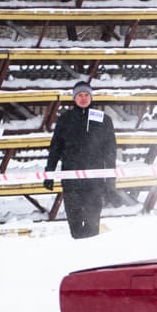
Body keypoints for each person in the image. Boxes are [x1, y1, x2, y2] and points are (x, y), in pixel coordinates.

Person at [43, 81, 117, 239]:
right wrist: (49, 172)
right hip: (71, 180)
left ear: (91, 97)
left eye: (86, 95)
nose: (83, 98)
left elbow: (110, 151)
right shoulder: (65, 119)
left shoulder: (104, 120)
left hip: (95, 180)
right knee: (75, 225)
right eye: (79, 95)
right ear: (74, 98)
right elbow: (56, 147)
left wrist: (110, 179)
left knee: (92, 224)